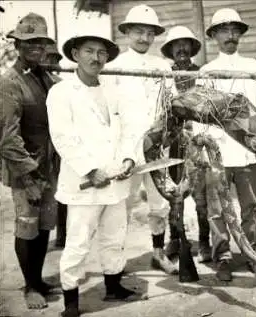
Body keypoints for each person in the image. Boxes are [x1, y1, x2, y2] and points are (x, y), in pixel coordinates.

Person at [46, 29, 145, 317]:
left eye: (101, 53)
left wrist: (128, 159)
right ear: (75, 54)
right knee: (78, 242)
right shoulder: (61, 92)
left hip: (115, 182)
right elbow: (62, 137)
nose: (96, 57)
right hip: (85, 183)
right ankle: (71, 300)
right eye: (89, 51)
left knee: (115, 236)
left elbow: (129, 129)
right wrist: (91, 170)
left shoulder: (113, 91)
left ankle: (113, 285)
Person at [194, 8, 256, 281]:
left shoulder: (253, 66)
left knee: (250, 207)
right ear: (214, 35)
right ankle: (223, 256)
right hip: (218, 150)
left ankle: (253, 254)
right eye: (224, 30)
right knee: (217, 209)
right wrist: (203, 141)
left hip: (248, 150)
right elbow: (200, 112)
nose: (230, 36)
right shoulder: (206, 71)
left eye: (235, 30)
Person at [107, 4, 178, 274]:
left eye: (150, 33)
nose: (144, 39)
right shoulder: (114, 68)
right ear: (126, 33)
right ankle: (116, 258)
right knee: (123, 203)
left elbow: (169, 104)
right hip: (126, 146)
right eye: (138, 32)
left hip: (157, 146)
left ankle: (158, 253)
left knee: (160, 203)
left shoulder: (163, 66)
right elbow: (111, 112)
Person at [0, 13, 60, 310]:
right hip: (26, 168)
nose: (36, 47)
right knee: (27, 225)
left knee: (45, 224)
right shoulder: (9, 81)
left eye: (40, 42)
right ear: (17, 45)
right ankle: (30, 286)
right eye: (29, 42)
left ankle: (38, 278)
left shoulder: (45, 75)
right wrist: (30, 175)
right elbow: (8, 138)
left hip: (49, 165)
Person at [159, 25, 212, 263]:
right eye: (176, 45)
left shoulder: (202, 74)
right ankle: (176, 239)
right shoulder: (165, 75)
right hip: (172, 143)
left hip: (196, 140)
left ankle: (204, 242)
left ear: (192, 48)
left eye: (185, 44)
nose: (181, 48)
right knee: (174, 195)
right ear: (170, 49)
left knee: (200, 197)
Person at [40, 43, 68, 249]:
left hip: (60, 143)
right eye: (48, 59)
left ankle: (63, 236)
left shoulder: (60, 84)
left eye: (55, 60)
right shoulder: (33, 82)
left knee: (63, 189)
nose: (51, 64)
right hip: (42, 144)